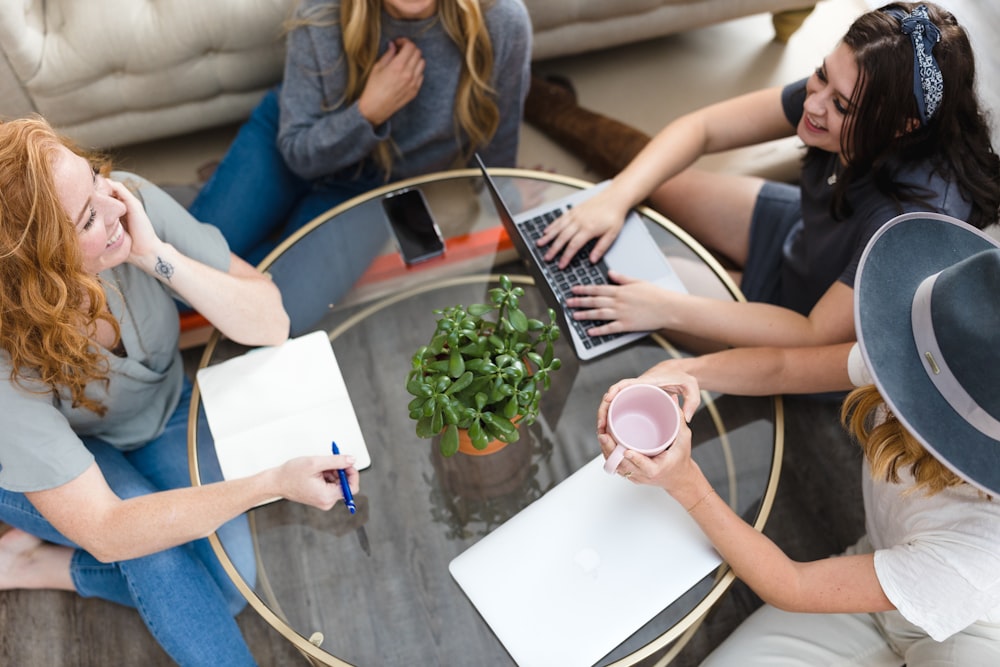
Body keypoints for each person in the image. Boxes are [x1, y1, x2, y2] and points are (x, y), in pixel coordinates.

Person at [0, 117, 360, 666]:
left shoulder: (129, 203)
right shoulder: (6, 361)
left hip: (159, 412)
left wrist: (153, 255)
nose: (116, 203)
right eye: (90, 216)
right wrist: (269, 482)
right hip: (52, 465)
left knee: (233, 587)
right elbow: (109, 528)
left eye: (94, 175)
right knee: (154, 554)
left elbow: (269, 321)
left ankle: (38, 566)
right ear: (40, 271)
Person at [598, 212, 1000, 664]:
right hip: (884, 564)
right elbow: (785, 367)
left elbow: (795, 584)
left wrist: (685, 482)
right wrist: (685, 372)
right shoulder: (934, 355)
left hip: (970, 638)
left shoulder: (981, 553)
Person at [531, 3, 999, 351]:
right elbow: (702, 129)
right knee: (641, 177)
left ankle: (714, 283)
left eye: (840, 106)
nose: (814, 103)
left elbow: (814, 335)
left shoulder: (916, 220)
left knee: (603, 292)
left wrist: (665, 306)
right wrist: (617, 198)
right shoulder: (848, 89)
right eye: (821, 76)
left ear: (900, 127)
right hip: (796, 235)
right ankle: (550, 106)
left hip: (803, 320)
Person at [189, 0, 533, 267]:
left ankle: (247, 214)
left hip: (372, 183)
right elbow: (297, 154)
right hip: (295, 142)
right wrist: (369, 112)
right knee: (187, 274)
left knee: (278, 307)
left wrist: (505, 196)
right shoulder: (322, 12)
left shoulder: (502, 19)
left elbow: (498, 136)